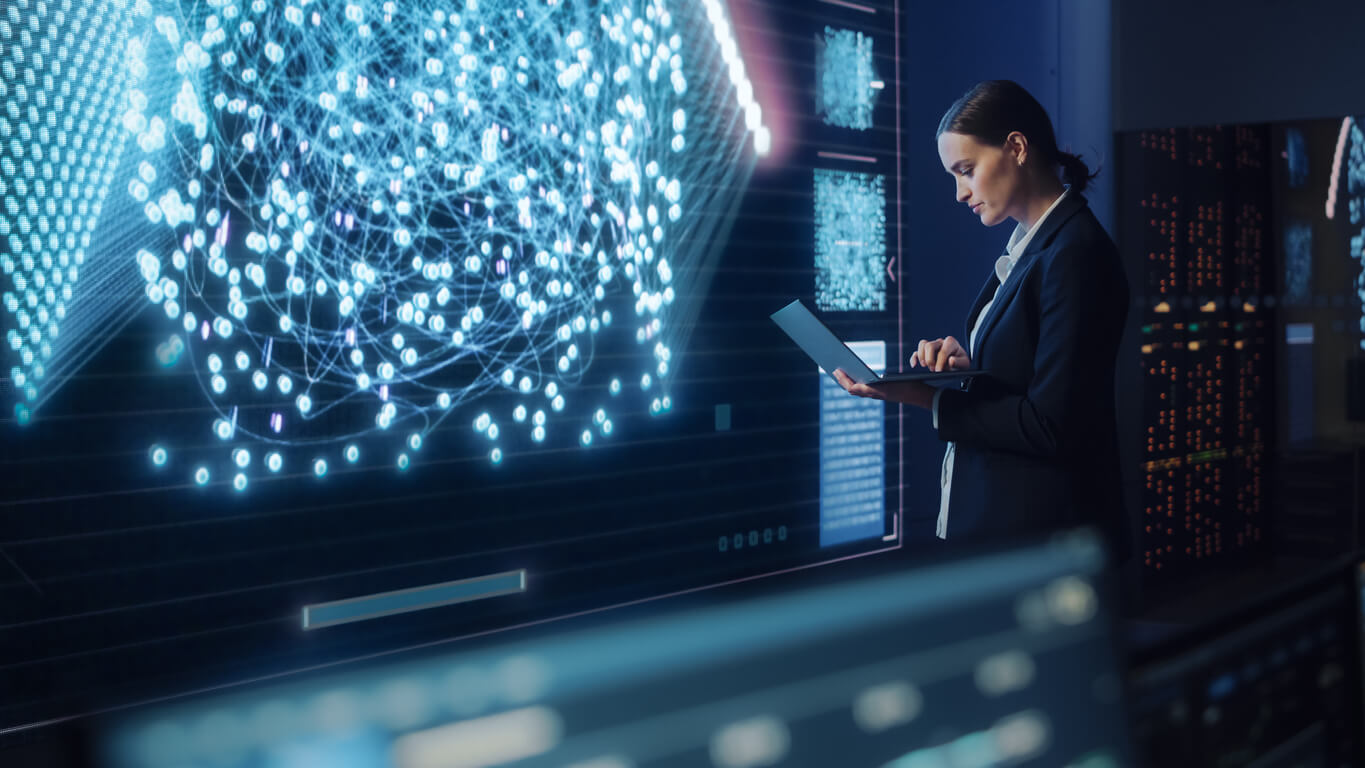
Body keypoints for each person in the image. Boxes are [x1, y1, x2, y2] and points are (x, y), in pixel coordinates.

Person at [834, 80, 1129, 557]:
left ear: (1015, 147)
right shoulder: (1036, 247)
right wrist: (972, 365)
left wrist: (926, 400)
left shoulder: (1075, 254)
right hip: (1018, 539)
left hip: (1047, 548)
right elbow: (1040, 376)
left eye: (966, 170)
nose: (958, 193)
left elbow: (1052, 425)